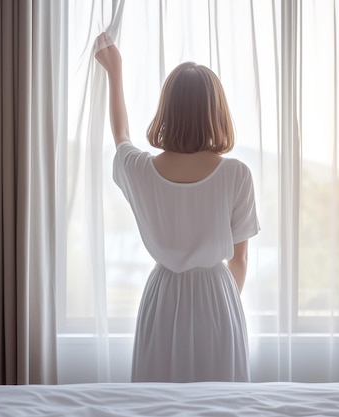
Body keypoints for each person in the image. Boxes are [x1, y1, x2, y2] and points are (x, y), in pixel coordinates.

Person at [94, 32, 259, 382]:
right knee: (221, 405)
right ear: (217, 111)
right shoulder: (236, 174)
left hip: (162, 299)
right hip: (218, 298)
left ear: (167, 109)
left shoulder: (140, 170)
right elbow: (240, 260)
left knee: (157, 401)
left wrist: (115, 72)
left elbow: (121, 136)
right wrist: (222, 305)